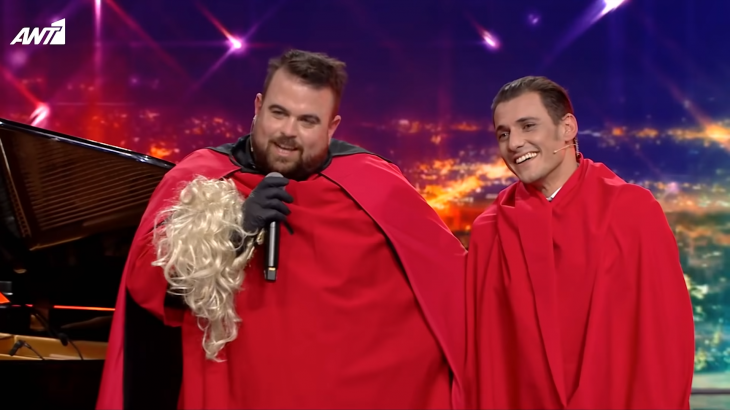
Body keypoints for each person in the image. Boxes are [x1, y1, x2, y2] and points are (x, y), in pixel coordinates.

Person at [96, 49, 467, 410]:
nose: (288, 132)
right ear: (258, 107)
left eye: (308, 121)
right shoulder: (201, 177)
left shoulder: (376, 185)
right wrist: (234, 233)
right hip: (232, 391)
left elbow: (455, 285)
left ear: (332, 126)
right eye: (278, 113)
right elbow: (148, 288)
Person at [464, 76, 695, 409]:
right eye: (503, 134)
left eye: (528, 126)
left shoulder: (632, 212)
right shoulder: (491, 231)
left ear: (567, 128)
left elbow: (667, 341)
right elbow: (485, 358)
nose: (514, 143)